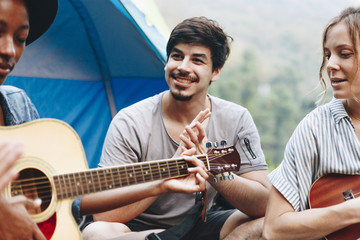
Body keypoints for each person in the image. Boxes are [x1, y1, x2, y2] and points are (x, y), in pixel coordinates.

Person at [81, 16, 271, 240]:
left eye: (197, 60)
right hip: (137, 233)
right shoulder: (131, 121)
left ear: (216, 72)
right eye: (177, 56)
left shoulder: (236, 119)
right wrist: (167, 176)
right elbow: (103, 215)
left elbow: (264, 202)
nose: (183, 67)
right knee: (96, 233)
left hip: (202, 225)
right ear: (167, 61)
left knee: (267, 223)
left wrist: (211, 165)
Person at [262, 6, 360, 240]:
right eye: (328, 55)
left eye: (344, 53)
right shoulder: (315, 127)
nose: (330, 64)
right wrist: (352, 210)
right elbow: (274, 229)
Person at [0, 0, 58, 239]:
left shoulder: (18, 104)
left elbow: (53, 191)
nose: (9, 50)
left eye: (20, 39)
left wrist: (159, 183)